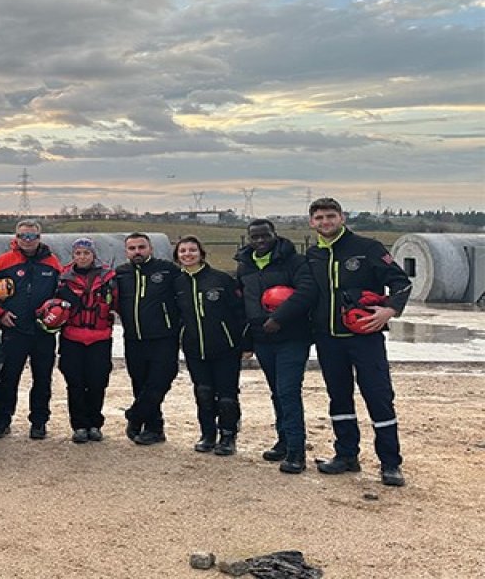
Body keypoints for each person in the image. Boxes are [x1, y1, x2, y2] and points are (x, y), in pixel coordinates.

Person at [305, 198, 411, 486]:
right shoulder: (313, 254)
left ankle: (390, 463)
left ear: (342, 217)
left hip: (365, 338)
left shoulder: (368, 248)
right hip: (328, 340)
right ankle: (346, 455)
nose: (325, 222)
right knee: (339, 397)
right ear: (311, 222)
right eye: (319, 218)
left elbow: (402, 282)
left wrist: (390, 310)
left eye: (330, 216)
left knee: (378, 397)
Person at [235, 218, 317, 473]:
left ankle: (296, 452)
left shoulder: (294, 261)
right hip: (263, 339)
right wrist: (247, 341)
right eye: (255, 237)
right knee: (276, 392)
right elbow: (243, 304)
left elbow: (307, 292)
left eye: (264, 235)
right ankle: (283, 441)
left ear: (274, 234)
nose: (260, 241)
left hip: (292, 337)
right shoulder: (245, 266)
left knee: (288, 392)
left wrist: (279, 318)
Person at [0, 220, 63, 440]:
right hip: (15, 330)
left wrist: (57, 315)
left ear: (39, 238)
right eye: (23, 236)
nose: (27, 240)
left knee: (42, 378)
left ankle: (39, 422)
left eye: (32, 236)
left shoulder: (52, 263)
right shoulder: (5, 260)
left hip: (44, 332)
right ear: (16, 237)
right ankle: (2, 420)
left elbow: (63, 291)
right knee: (8, 377)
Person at [173, 236, 246, 456]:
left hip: (225, 347)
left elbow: (239, 312)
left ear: (201, 253)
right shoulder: (177, 283)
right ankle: (207, 433)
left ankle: (228, 435)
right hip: (195, 348)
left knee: (226, 394)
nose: (188, 254)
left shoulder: (221, 279)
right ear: (177, 256)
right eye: (183, 251)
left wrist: (244, 342)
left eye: (192, 250)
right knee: (203, 392)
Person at [114, 233, 181, 446]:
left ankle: (135, 415)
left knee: (160, 380)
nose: (137, 252)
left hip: (164, 336)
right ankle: (154, 428)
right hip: (134, 338)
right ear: (126, 252)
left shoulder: (167, 270)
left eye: (141, 247)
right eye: (132, 248)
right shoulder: (121, 273)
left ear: (150, 248)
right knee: (140, 383)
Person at [54, 238, 117, 444]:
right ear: (73, 256)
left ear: (93, 255)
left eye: (86, 253)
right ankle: (79, 425)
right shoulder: (62, 278)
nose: (82, 257)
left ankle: (95, 424)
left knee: (98, 383)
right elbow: (49, 304)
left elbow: (118, 302)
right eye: (78, 253)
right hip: (72, 336)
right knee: (75, 383)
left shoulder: (108, 278)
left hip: (100, 337)